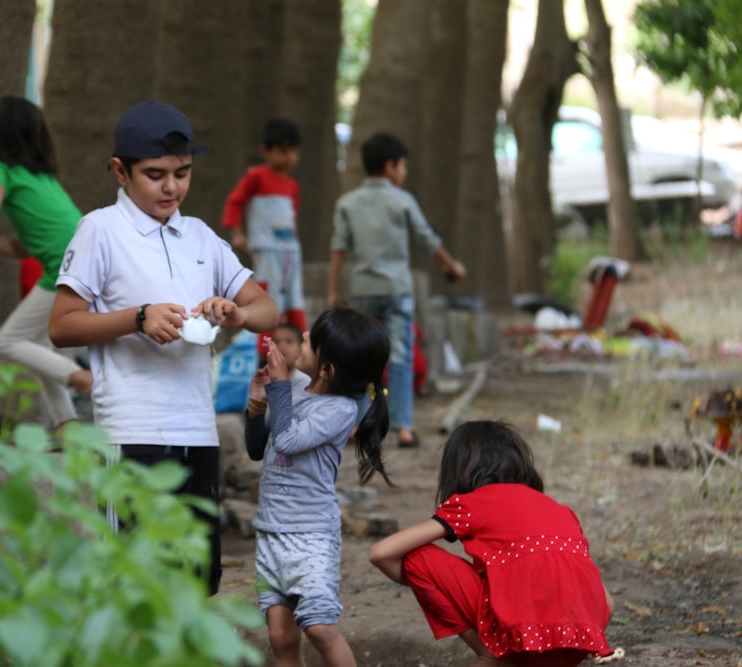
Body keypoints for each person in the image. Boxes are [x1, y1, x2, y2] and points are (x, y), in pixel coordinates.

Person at [49, 100, 279, 595]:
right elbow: (62, 326)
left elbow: (267, 308)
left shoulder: (200, 236)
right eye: (155, 175)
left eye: (183, 173)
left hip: (197, 432)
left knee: (194, 585)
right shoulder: (100, 231)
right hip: (130, 434)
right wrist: (138, 317)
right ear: (120, 170)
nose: (171, 187)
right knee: (131, 585)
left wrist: (236, 313)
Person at [368, 420, 615, 667]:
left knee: (417, 559)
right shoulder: (560, 509)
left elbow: (381, 553)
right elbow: (600, 597)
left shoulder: (470, 503)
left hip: (524, 648)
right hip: (577, 645)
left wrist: (418, 581)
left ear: (458, 469)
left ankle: (491, 655)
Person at [245, 307, 393, 667]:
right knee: (280, 637)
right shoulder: (293, 388)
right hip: (271, 531)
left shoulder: (340, 410)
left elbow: (289, 439)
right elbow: (257, 449)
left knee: (321, 629)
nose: (300, 343)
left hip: (311, 535)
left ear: (328, 369)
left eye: (309, 343)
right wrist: (255, 406)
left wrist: (279, 386)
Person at [0, 95, 92, 431]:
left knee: (9, 340)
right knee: (41, 345)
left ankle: (81, 379)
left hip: (65, 264)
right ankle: (66, 426)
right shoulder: (41, 177)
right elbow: (22, 248)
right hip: (83, 255)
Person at [328, 132, 466, 449]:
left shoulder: (347, 203)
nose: (403, 172)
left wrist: (334, 291)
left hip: (362, 289)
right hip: (397, 290)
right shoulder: (402, 200)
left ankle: (358, 425)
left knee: (360, 356)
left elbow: (338, 248)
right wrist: (452, 266)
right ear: (390, 166)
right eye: (403, 166)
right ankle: (403, 426)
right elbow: (427, 238)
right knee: (401, 356)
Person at [222, 118, 307, 359]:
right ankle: (265, 354)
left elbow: (293, 215)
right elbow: (235, 202)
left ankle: (303, 350)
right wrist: (237, 233)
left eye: (293, 151)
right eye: (282, 151)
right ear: (266, 151)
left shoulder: (292, 185)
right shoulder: (256, 176)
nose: (289, 157)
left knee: (295, 297)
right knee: (269, 298)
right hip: (267, 250)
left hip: (291, 250)